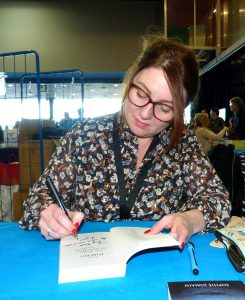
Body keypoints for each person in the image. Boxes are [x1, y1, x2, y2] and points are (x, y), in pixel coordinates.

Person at [19, 35, 231, 247]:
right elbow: (37, 198)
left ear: (180, 112)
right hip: (88, 259)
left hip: (154, 267)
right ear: (130, 80)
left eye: (165, 108)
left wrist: (190, 220)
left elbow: (218, 200)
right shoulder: (84, 136)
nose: (145, 114)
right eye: (140, 94)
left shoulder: (183, 144)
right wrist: (46, 213)